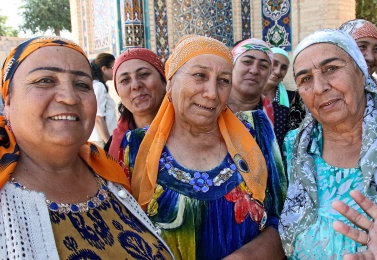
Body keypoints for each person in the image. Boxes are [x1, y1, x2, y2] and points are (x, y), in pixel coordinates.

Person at [0, 36, 173, 259]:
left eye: (82, 84)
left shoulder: (108, 173)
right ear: (8, 99)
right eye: (44, 80)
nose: (69, 98)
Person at [121, 35, 287, 259]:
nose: (212, 93)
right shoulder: (136, 147)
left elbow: (286, 220)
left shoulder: (256, 132)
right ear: (170, 82)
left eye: (223, 80)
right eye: (200, 76)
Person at [279, 29, 377, 259]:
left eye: (331, 69)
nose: (319, 87)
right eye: (305, 79)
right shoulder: (295, 147)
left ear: (361, 72)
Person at [228, 39, 289, 148]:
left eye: (263, 66)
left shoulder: (282, 115)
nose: (254, 70)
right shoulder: (211, 108)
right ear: (232, 65)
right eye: (247, 62)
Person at [107, 48, 166, 159]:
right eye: (125, 80)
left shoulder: (191, 134)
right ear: (118, 92)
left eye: (143, 74)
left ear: (164, 81)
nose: (135, 85)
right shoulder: (116, 147)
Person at [339, 19, 377, 104]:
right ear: (342, 49)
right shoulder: (325, 93)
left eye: (376, 49)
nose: (371, 58)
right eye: (362, 46)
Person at [263, 47, 307, 131]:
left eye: (283, 67)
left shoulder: (295, 100)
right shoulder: (247, 98)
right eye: (274, 64)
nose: (278, 71)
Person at [88, 53, 118, 148]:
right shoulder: (99, 87)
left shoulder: (96, 85)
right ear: (104, 69)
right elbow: (98, 118)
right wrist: (108, 143)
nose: (116, 71)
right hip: (100, 141)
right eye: (113, 68)